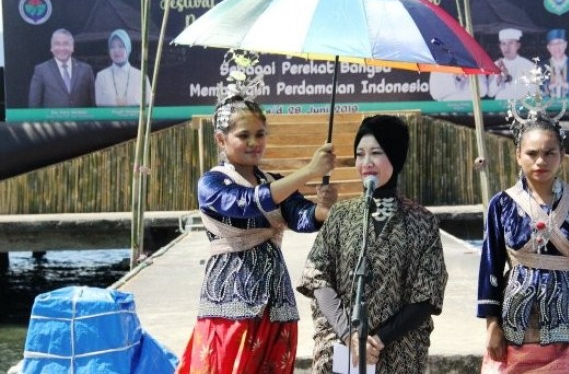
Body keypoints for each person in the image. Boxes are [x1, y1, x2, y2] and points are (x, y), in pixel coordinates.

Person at [175, 95, 338, 374]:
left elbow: (301, 216)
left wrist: (324, 209)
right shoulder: (212, 183)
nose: (254, 142)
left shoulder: (274, 181)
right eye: (244, 135)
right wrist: (310, 170)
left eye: (260, 134)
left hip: (277, 303)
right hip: (230, 302)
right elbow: (248, 203)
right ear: (220, 140)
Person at [297, 115, 448, 373]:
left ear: (395, 155)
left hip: (398, 352)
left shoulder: (422, 221)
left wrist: (378, 341)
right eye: (360, 154)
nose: (366, 163)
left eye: (376, 153)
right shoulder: (341, 216)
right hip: (343, 351)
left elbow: (428, 294)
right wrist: (349, 335)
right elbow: (317, 276)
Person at [476, 108, 569, 373]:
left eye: (549, 153)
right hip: (516, 322)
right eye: (532, 153)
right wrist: (491, 324)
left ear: (563, 156)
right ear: (518, 156)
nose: (540, 161)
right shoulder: (501, 204)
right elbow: (491, 265)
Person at [28, 28, 95, 108]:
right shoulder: (41, 70)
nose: (62, 48)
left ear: (72, 47)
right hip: (53, 120)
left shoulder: (86, 70)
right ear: (51, 48)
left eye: (66, 44)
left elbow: (93, 103)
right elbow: (34, 104)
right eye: (57, 44)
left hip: (80, 120)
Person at [95, 29, 152, 106]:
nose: (116, 50)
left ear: (128, 48)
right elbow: (98, 103)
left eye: (121, 46)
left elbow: (148, 102)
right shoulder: (101, 76)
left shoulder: (141, 76)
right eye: (112, 47)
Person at [487, 28, 536, 100]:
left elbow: (533, 91)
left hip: (521, 106)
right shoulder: (495, 65)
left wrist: (509, 79)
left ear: (518, 45)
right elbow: (490, 94)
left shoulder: (528, 65)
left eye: (511, 43)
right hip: (500, 107)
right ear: (500, 46)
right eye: (503, 44)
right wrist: (498, 79)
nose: (507, 47)